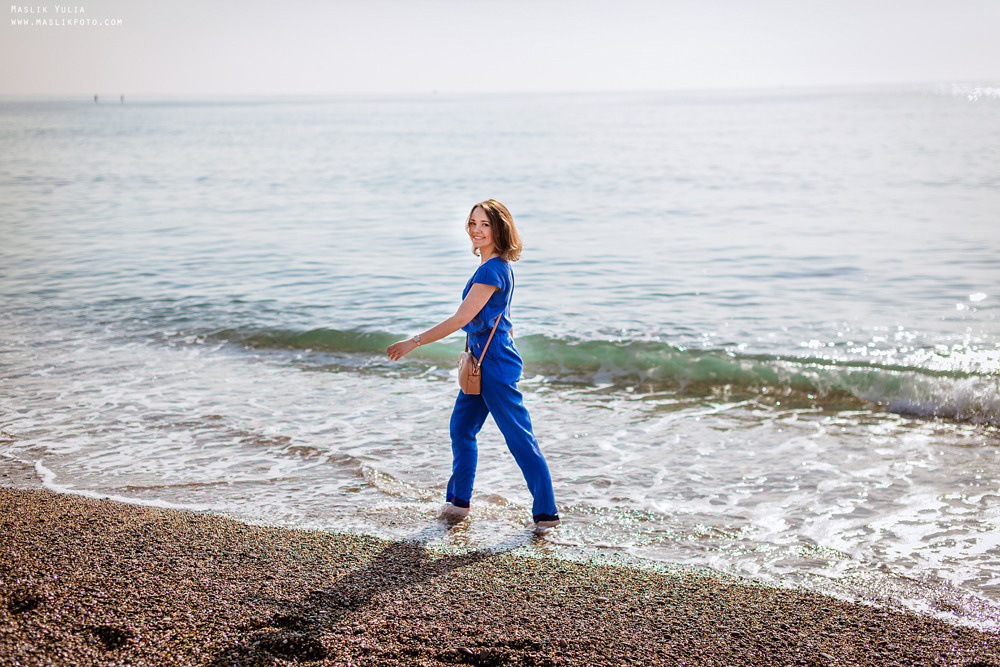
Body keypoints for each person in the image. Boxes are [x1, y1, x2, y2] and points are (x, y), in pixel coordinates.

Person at [386, 200, 560, 530]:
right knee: (462, 428)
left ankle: (546, 514)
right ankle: (459, 503)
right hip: (481, 361)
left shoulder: (493, 269)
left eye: (484, 224)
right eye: (472, 223)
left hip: (494, 363)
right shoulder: (491, 266)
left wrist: (415, 341)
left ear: (499, 229)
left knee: (519, 438)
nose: (476, 230)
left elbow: (463, 317)